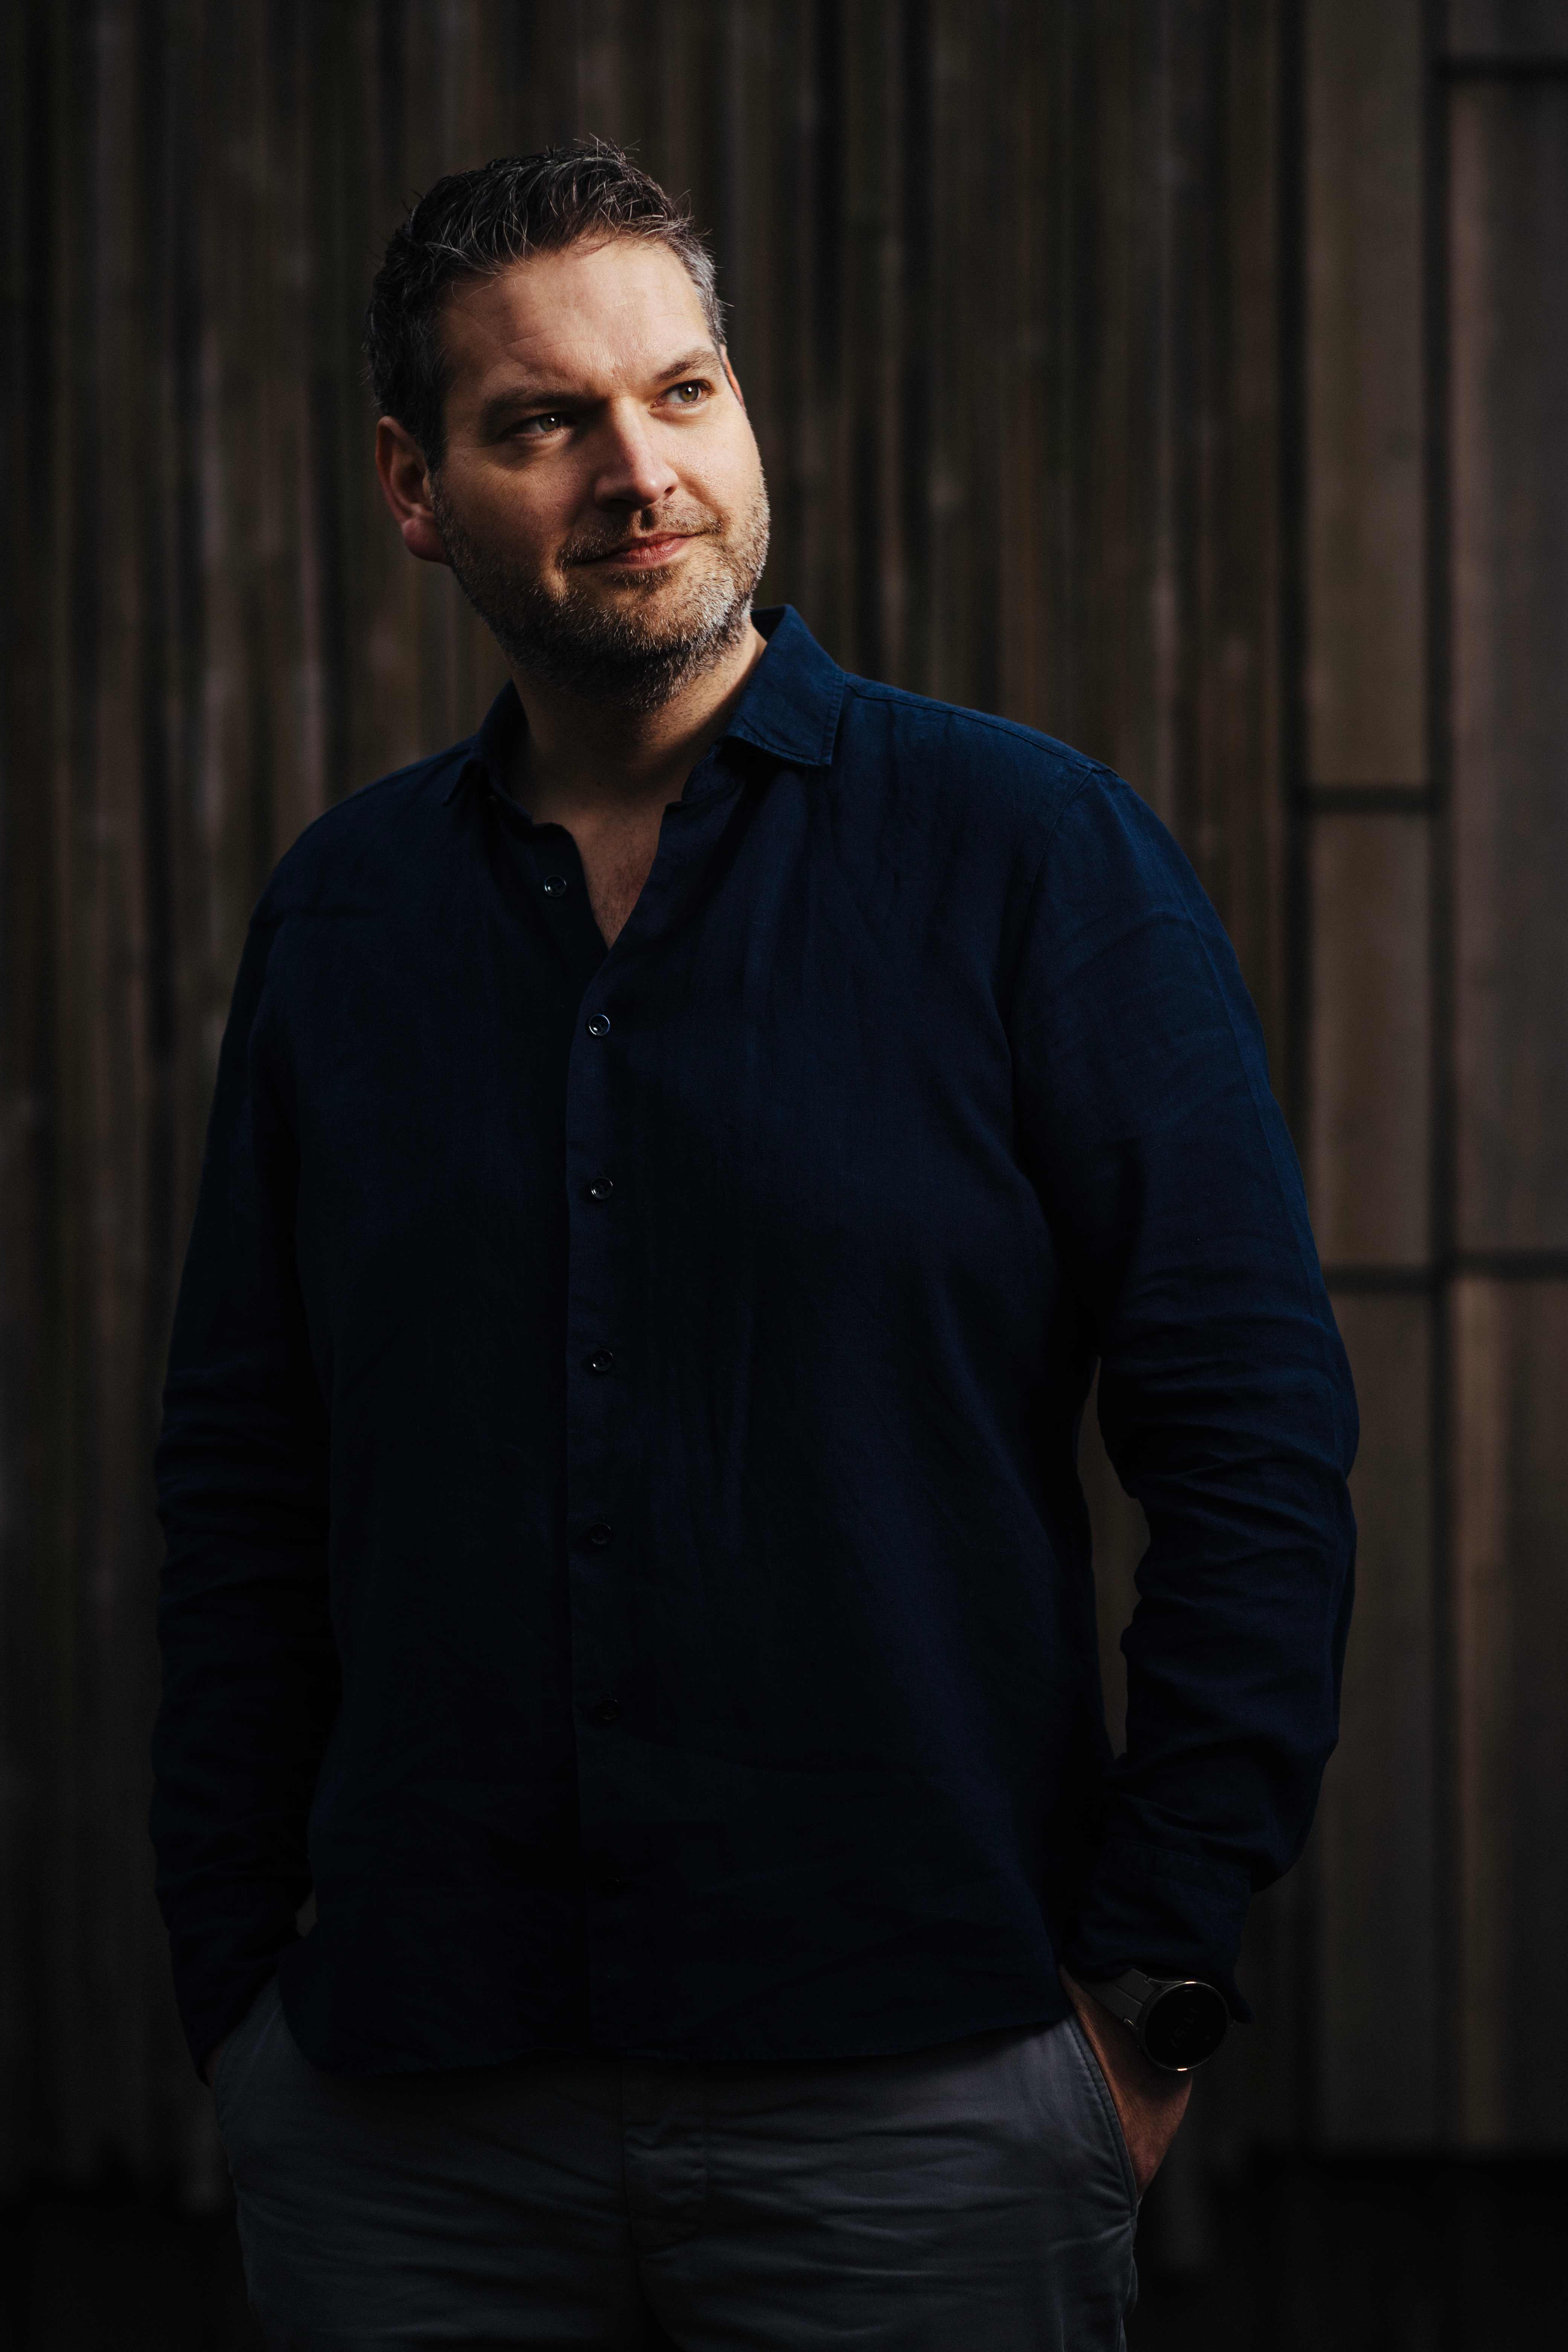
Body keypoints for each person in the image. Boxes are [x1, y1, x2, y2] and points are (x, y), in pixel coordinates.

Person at [150, 139, 1356, 2352]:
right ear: (415, 488)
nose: (640, 473)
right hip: (409, 2129)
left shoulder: (1031, 856)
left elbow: (1253, 1439)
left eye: (682, 391)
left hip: (927, 2111)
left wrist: (1150, 1993)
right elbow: (243, 1478)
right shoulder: (345, 919)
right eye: (546, 422)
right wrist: (239, 1999)